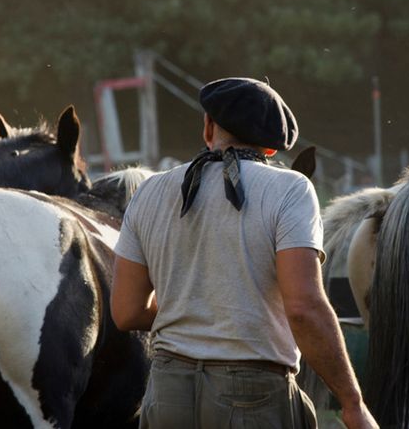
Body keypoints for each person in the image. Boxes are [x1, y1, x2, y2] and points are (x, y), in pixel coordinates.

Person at [111, 77, 378, 429]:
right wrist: (352, 403)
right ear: (271, 148)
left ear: (208, 127)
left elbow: (127, 312)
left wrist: (195, 306)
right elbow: (303, 307)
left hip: (167, 393)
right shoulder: (290, 190)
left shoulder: (150, 192)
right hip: (252, 397)